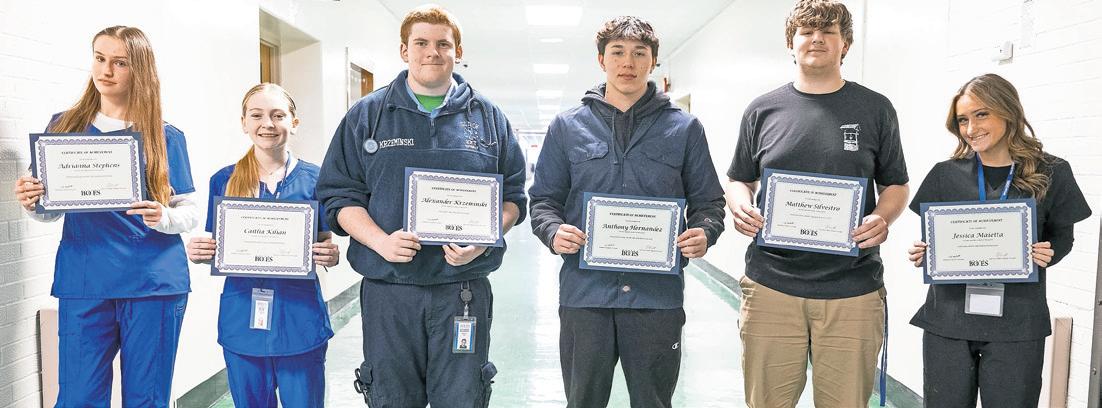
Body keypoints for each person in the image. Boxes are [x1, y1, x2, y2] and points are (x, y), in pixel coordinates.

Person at [316, 5, 527, 407]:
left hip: (461, 289)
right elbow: (339, 196)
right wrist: (380, 241)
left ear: (457, 51)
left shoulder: (489, 118)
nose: (433, 52)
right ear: (404, 50)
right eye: (421, 43)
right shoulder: (368, 116)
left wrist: (484, 239)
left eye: (443, 44)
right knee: (392, 397)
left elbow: (513, 198)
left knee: (462, 397)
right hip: (390, 289)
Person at [528, 16, 726, 408]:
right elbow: (543, 201)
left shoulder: (685, 129)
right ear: (601, 59)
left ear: (653, 61)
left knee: (653, 401)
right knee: (583, 401)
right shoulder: (567, 127)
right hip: (586, 296)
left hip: (656, 299)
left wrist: (704, 232)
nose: (628, 63)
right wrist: (553, 231)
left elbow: (709, 203)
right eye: (617, 52)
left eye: (639, 53)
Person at [725, 1, 910, 406]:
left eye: (828, 32)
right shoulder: (762, 109)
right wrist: (740, 204)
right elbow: (740, 177)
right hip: (771, 285)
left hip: (852, 288)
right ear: (790, 43)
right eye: (806, 31)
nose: (817, 39)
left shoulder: (875, 109)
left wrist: (882, 217)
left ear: (846, 44)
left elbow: (896, 184)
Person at [11, 26, 198, 407]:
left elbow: (190, 213)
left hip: (152, 283)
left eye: (120, 63)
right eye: (99, 58)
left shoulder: (165, 136)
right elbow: (49, 211)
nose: (106, 70)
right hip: (85, 280)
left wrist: (163, 216)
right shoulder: (63, 128)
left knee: (146, 399)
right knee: (78, 398)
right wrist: (32, 202)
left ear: (139, 69)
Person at [905, 73, 1091, 407]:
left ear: (1008, 111)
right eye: (963, 119)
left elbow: (1063, 237)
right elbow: (935, 242)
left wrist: (1049, 252)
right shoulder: (944, 174)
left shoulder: (1051, 172)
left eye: (981, 114)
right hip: (948, 321)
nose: (971, 128)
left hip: (1017, 324)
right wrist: (924, 253)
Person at [185, 83, 340, 407]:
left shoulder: (317, 179)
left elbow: (325, 242)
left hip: (299, 318)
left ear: (293, 123)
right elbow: (219, 247)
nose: (267, 124)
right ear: (244, 122)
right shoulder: (224, 180)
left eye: (277, 115)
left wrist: (331, 254)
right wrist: (201, 252)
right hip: (243, 320)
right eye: (256, 115)